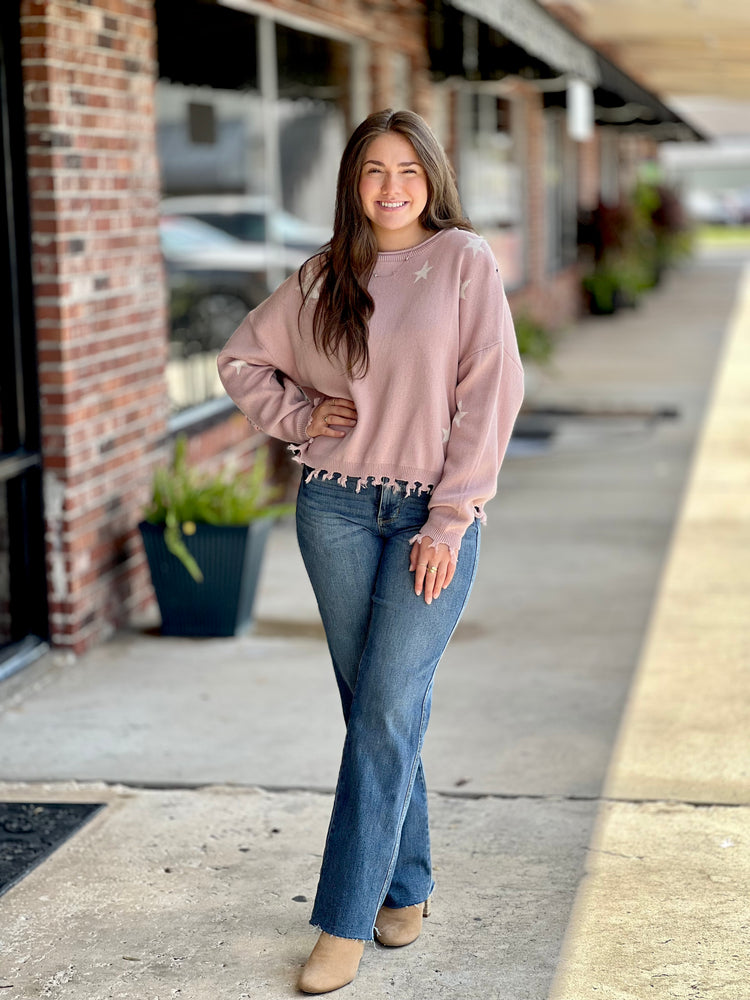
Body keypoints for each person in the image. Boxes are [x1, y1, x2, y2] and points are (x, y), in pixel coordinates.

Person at [217, 108, 524, 994]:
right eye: (372, 173)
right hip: (337, 511)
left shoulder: (462, 261)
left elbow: (490, 395)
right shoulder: (324, 274)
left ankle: (343, 923)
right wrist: (302, 417)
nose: (391, 188)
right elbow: (242, 362)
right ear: (353, 184)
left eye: (407, 171)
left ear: (430, 177)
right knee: (378, 712)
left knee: (387, 706)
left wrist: (451, 517)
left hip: (431, 515)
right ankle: (408, 884)